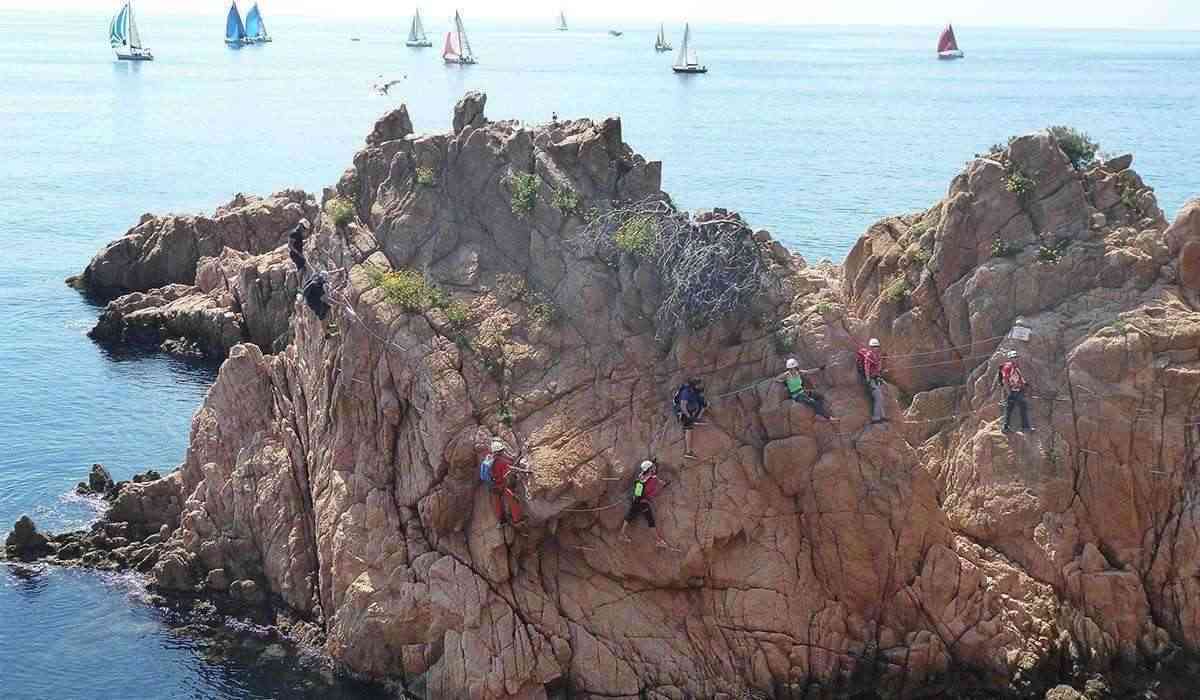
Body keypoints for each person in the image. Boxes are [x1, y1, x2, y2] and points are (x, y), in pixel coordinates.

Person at [619, 460, 668, 548]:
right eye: (652, 467)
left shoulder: (641, 476)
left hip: (635, 500)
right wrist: (662, 486)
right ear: (649, 469)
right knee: (650, 521)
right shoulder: (653, 479)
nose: (654, 468)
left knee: (629, 517)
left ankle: (621, 534)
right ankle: (659, 541)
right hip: (643, 503)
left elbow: (653, 479)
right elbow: (653, 493)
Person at [484, 439, 523, 527]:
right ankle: (517, 520)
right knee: (512, 500)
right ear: (500, 451)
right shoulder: (501, 462)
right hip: (501, 485)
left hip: (492, 486)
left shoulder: (489, 459)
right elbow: (508, 471)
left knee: (497, 505)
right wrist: (524, 471)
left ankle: (501, 521)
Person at [996, 350, 1033, 434]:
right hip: (1013, 391)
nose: (1016, 359)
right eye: (1014, 357)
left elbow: (1019, 379)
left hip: (1017, 391)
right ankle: (1025, 427)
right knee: (1020, 407)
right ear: (1010, 358)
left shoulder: (1015, 367)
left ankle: (1006, 427)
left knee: (1010, 409)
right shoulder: (1008, 367)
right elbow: (1005, 380)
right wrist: (1009, 393)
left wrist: (1024, 384)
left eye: (1016, 357)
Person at [672, 378, 707, 459]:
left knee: (704, 405)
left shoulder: (695, 391)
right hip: (681, 411)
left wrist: (703, 403)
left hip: (690, 408)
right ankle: (688, 452)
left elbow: (700, 399)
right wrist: (688, 416)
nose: (701, 386)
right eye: (699, 385)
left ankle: (696, 419)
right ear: (694, 385)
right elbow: (682, 406)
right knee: (689, 428)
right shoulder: (686, 392)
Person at [856, 338, 886, 423]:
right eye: (874, 347)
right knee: (878, 397)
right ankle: (876, 418)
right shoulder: (869, 356)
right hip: (871, 380)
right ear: (871, 347)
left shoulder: (877, 355)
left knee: (881, 397)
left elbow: (878, 368)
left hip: (876, 378)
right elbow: (866, 368)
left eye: (877, 346)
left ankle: (882, 416)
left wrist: (879, 376)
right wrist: (868, 379)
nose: (876, 348)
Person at [302, 271, 338, 338]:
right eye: (324, 280)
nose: (325, 282)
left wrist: (339, 270)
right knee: (322, 317)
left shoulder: (316, 278)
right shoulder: (317, 286)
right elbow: (325, 298)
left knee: (328, 308)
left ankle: (328, 326)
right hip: (315, 304)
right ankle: (326, 335)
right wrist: (338, 303)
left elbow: (328, 273)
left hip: (315, 299)